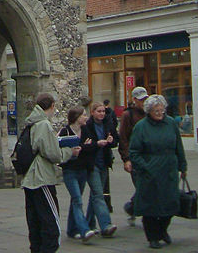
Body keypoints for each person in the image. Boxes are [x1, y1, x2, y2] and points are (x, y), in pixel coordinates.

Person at [21, 93, 81, 253]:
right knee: (51, 224)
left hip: (30, 177)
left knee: (35, 222)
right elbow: (53, 154)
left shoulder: (31, 123)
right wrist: (69, 152)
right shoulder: (43, 124)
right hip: (41, 177)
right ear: (52, 106)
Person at [129, 94, 187, 250]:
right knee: (151, 207)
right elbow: (134, 152)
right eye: (156, 110)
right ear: (149, 111)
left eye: (162, 110)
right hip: (150, 172)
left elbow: (178, 146)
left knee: (171, 204)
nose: (160, 113)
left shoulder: (170, 124)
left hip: (169, 169)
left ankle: (162, 230)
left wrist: (183, 166)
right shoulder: (141, 127)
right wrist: (145, 167)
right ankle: (152, 237)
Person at [58, 106, 96, 243]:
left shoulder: (86, 130)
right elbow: (59, 148)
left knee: (75, 200)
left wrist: (83, 147)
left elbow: (92, 147)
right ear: (76, 117)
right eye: (84, 115)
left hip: (82, 170)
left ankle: (72, 229)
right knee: (77, 199)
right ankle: (84, 230)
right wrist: (73, 150)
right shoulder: (65, 131)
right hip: (70, 170)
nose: (86, 117)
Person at [81, 102, 117, 237]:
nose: (102, 114)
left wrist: (111, 140)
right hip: (92, 164)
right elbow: (84, 146)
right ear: (92, 112)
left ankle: (89, 223)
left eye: (103, 111)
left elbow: (115, 142)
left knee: (95, 196)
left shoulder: (108, 124)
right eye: (99, 111)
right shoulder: (87, 127)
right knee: (98, 194)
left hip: (104, 163)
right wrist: (97, 144)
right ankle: (106, 225)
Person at [118, 85, 149, 225]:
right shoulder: (127, 115)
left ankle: (132, 208)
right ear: (135, 100)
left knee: (148, 186)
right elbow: (123, 138)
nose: (144, 102)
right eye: (141, 99)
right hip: (135, 157)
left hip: (149, 156)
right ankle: (140, 211)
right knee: (142, 186)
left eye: (145, 99)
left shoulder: (149, 113)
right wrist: (126, 159)